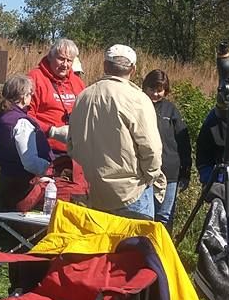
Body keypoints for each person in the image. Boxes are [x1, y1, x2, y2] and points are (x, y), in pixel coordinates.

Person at [68, 44, 164, 220]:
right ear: (133, 69)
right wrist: (150, 178)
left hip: (91, 193)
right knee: (136, 246)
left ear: (105, 66)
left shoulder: (83, 97)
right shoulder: (137, 99)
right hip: (130, 192)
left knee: (98, 247)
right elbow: (151, 148)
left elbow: (71, 144)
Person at [0, 74, 53, 211]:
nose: (31, 97)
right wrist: (50, 170)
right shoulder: (21, 122)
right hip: (24, 187)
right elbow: (29, 161)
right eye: (31, 93)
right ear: (23, 96)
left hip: (6, 180)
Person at [142, 69, 191, 230]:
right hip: (143, 171)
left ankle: (163, 252)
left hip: (170, 171)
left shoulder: (171, 110)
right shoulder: (138, 106)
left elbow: (183, 141)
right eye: (152, 89)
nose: (156, 94)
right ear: (145, 88)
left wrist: (186, 170)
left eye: (160, 90)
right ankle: (143, 253)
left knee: (165, 216)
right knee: (144, 215)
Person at [27, 38, 85, 155]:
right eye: (61, 59)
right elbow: (25, 116)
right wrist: (52, 131)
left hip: (75, 150)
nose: (65, 65)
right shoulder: (35, 79)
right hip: (45, 149)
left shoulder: (77, 82)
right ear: (50, 57)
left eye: (69, 61)